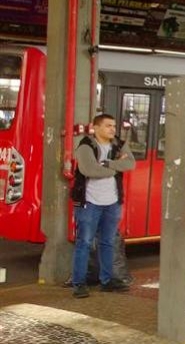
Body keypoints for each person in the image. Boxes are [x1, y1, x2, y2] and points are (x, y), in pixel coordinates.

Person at [70, 113, 136, 299]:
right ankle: (79, 284)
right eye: (108, 126)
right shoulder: (86, 146)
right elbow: (89, 169)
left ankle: (107, 281)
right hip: (89, 202)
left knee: (107, 242)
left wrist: (108, 163)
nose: (113, 129)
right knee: (84, 243)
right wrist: (116, 167)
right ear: (96, 128)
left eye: (114, 126)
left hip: (113, 202)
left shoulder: (119, 144)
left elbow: (130, 163)